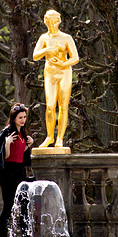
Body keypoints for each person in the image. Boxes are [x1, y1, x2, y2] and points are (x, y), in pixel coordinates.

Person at [32, 10, 79, 148]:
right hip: (50, 73)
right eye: (49, 22)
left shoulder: (66, 37)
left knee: (63, 106)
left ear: (59, 21)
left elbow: (75, 58)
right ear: (46, 22)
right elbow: (35, 56)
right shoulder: (44, 38)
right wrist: (46, 50)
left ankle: (60, 138)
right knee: (50, 106)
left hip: (64, 72)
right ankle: (49, 136)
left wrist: (63, 64)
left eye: (54, 22)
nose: (52, 25)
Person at [0, 103, 34, 237]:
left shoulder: (22, 133)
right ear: (13, 118)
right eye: (20, 117)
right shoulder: (7, 132)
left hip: (20, 172)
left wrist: (28, 145)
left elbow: (20, 155)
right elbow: (5, 157)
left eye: (25, 117)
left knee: (24, 204)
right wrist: (7, 143)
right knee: (8, 206)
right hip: (8, 173)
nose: (23, 120)